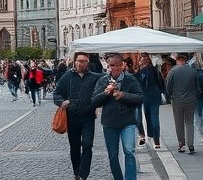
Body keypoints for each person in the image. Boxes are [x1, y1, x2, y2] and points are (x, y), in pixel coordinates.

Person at [92, 54, 144, 180]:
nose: (113, 68)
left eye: (116, 65)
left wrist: (123, 95)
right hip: (109, 122)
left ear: (122, 66)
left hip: (127, 121)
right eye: (111, 65)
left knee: (129, 151)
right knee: (113, 155)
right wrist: (106, 92)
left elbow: (139, 98)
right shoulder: (103, 81)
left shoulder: (130, 80)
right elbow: (94, 101)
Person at [53, 52, 103, 180]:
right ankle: (76, 172)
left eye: (85, 61)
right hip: (72, 118)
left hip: (88, 117)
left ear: (88, 63)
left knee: (87, 145)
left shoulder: (94, 77)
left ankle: (83, 175)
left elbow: (108, 78)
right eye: (80, 61)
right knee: (74, 147)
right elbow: (57, 93)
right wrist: (61, 102)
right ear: (75, 62)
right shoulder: (67, 76)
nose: (82, 64)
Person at [165, 53, 199, 154]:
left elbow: (168, 85)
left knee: (178, 122)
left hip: (177, 100)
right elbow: (197, 85)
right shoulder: (192, 71)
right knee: (189, 122)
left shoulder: (173, 71)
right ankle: (191, 145)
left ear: (177, 60)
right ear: (185, 60)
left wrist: (170, 95)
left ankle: (181, 144)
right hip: (191, 100)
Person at [135, 53, 164, 149]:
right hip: (153, 96)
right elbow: (161, 84)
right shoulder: (155, 71)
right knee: (153, 117)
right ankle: (155, 140)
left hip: (146, 97)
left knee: (148, 117)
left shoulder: (141, 72)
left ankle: (150, 136)